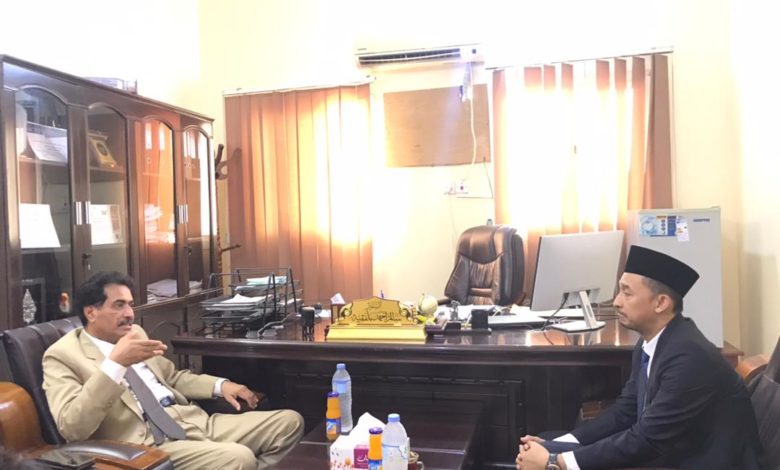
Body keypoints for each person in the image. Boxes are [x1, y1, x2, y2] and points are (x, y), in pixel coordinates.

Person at [516, 245, 763, 470]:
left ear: (661, 303)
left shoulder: (689, 357)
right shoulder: (653, 341)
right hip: (669, 453)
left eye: (627, 293)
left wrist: (555, 462)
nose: (616, 302)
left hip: (699, 462)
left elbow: (648, 439)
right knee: (545, 440)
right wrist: (558, 444)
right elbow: (627, 411)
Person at [42, 271, 304, 470]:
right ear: (91, 312)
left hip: (190, 420)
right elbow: (72, 427)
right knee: (239, 458)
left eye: (130, 304)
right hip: (146, 444)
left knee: (289, 423)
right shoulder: (62, 355)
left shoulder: (135, 333)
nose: (130, 314)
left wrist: (220, 385)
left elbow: (172, 378)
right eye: (119, 305)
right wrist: (116, 364)